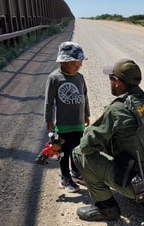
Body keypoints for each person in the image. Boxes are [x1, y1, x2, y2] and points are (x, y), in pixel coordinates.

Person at [72, 59, 144, 224]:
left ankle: (107, 208)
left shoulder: (119, 109)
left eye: (111, 79)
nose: (111, 83)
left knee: (78, 153)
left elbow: (86, 145)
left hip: (136, 180)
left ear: (117, 82)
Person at [44, 41, 90, 193]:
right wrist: (49, 120)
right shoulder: (54, 78)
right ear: (64, 61)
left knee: (77, 150)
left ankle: (76, 173)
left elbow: (85, 96)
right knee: (63, 152)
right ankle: (65, 177)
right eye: (75, 64)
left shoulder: (80, 77)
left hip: (78, 123)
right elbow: (49, 102)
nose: (79, 66)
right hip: (63, 124)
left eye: (80, 63)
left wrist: (86, 114)